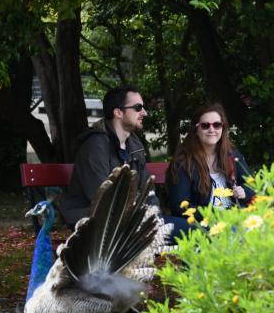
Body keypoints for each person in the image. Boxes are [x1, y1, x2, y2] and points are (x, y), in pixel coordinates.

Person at [60, 87, 188, 240]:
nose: (144, 113)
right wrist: (140, 219)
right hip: (97, 225)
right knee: (194, 233)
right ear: (118, 112)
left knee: (198, 232)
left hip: (131, 223)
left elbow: (148, 191)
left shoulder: (134, 144)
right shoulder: (95, 145)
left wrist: (153, 217)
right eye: (138, 108)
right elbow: (101, 198)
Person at [167, 102, 254, 219]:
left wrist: (244, 192)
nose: (211, 129)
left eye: (217, 125)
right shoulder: (183, 162)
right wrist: (216, 214)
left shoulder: (231, 153)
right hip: (205, 223)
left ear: (222, 128)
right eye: (205, 125)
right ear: (196, 130)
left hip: (236, 215)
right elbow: (179, 206)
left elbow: (251, 183)